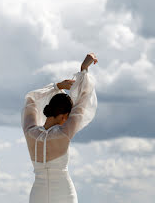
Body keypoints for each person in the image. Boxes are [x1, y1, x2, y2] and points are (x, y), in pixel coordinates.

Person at [21, 52, 98, 203]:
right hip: (64, 192)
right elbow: (82, 101)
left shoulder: (30, 132)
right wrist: (83, 69)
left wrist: (57, 86)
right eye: (68, 117)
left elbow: (30, 99)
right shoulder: (64, 133)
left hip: (38, 194)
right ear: (64, 116)